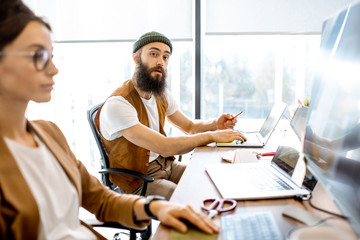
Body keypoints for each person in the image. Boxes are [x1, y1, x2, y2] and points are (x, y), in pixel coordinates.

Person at [0, 1, 219, 239]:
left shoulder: (49, 133)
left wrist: (153, 207)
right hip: (137, 178)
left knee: (205, 185)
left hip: (156, 175)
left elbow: (100, 200)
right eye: (39, 55)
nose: (54, 69)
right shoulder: (119, 102)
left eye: (51, 56)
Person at [96, 31, 246, 200]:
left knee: (211, 183)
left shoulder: (161, 95)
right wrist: (212, 136)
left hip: (166, 165)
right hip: (137, 180)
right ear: (136, 58)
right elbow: (164, 146)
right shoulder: (119, 104)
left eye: (166, 57)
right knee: (188, 198)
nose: (161, 61)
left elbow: (189, 127)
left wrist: (215, 124)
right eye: (154, 54)